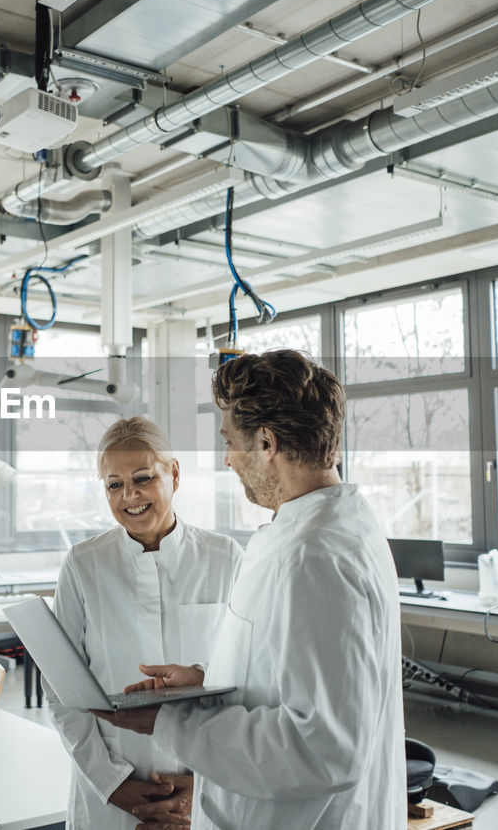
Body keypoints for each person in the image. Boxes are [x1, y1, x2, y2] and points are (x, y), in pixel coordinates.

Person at [92, 351, 405, 829]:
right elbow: (292, 677)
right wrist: (206, 678)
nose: (227, 459)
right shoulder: (318, 531)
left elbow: (323, 749)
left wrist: (169, 721)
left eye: (230, 442)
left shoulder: (314, 556)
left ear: (265, 443)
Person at [49, 416, 244, 830]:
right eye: (114, 484)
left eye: (143, 478)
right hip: (107, 799)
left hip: (200, 791)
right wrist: (115, 785)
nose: (130, 496)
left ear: (174, 473)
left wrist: (201, 785)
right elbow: (62, 690)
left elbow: (250, 677)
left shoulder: (225, 557)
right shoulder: (84, 564)